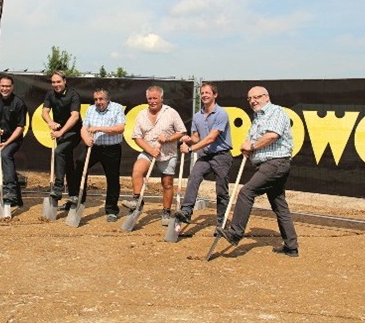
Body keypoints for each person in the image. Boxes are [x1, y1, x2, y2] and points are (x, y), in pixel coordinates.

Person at [215, 86, 299, 257]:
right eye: (250, 98)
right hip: (269, 165)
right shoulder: (258, 117)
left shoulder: (276, 112)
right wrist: (248, 147)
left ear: (266, 97)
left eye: (257, 97)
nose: (253, 101)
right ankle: (291, 246)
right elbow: (253, 139)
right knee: (279, 205)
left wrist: (252, 146)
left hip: (275, 163)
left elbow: (272, 136)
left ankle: (235, 233)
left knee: (247, 192)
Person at [121, 86, 187, 226]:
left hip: (167, 154)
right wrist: (150, 150)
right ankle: (137, 200)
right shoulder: (141, 115)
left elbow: (181, 132)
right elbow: (137, 137)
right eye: (150, 98)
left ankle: (166, 212)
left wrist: (168, 139)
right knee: (137, 170)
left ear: (161, 98)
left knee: (167, 184)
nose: (152, 101)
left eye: (155, 98)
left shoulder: (171, 113)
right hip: (149, 151)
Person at [174, 82, 233, 230]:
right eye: (202, 93)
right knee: (194, 177)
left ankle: (222, 223)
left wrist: (190, 149)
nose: (204, 95)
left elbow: (211, 138)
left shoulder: (221, 114)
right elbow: (196, 137)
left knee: (221, 191)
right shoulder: (197, 116)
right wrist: (189, 140)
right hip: (205, 156)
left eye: (208, 92)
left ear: (215, 95)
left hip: (221, 156)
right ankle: (186, 211)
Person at [72, 89, 126, 222]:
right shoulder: (91, 109)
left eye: (101, 99)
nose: (98, 102)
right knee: (79, 164)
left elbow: (120, 128)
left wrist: (99, 128)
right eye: (96, 99)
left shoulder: (117, 108)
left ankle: (111, 209)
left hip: (112, 149)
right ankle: (78, 198)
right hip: (94, 147)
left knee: (112, 178)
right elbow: (84, 128)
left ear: (107, 99)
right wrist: (86, 139)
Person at [41, 70, 82, 210]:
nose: (56, 84)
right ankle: (73, 195)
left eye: (58, 81)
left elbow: (75, 116)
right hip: (59, 132)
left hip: (73, 133)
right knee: (68, 163)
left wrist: (61, 132)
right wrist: (50, 122)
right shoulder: (50, 94)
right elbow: (44, 112)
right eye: (53, 82)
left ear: (64, 81)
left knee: (59, 152)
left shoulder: (73, 95)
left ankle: (58, 187)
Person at [0, 74, 27, 207]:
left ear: (12, 87)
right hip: (0, 136)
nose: (5, 88)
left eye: (8, 86)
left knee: (5, 155)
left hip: (14, 138)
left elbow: (20, 127)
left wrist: (7, 143)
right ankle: (16, 197)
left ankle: (9, 191)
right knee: (6, 161)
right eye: (3, 86)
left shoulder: (19, 103)